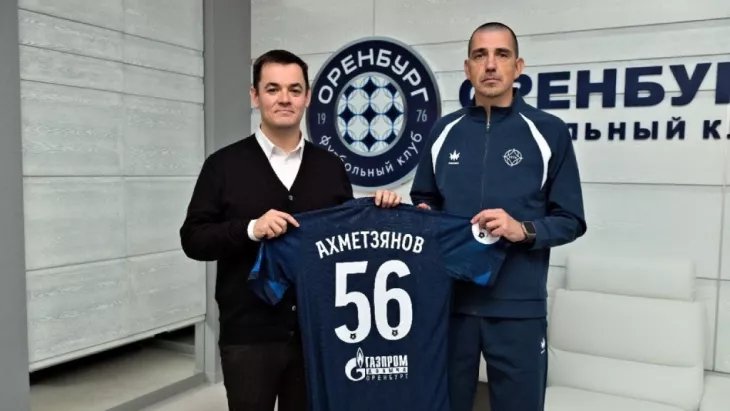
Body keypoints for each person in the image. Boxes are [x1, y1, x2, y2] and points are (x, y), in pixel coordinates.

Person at [180, 49, 400, 411]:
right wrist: (251, 229)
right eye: (273, 89)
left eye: (294, 89)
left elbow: (347, 244)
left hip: (318, 333)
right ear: (255, 96)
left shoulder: (330, 167)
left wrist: (382, 214)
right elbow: (193, 239)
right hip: (249, 336)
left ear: (307, 97)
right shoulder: (222, 166)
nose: (284, 98)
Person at [410, 22, 587, 411]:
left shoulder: (549, 132)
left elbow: (570, 219)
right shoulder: (443, 131)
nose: (490, 64)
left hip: (517, 310)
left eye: (501, 54)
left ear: (518, 66)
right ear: (468, 68)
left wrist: (522, 229)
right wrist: (424, 216)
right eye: (480, 55)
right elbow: (424, 199)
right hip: (450, 306)